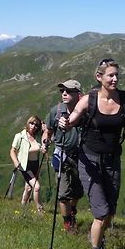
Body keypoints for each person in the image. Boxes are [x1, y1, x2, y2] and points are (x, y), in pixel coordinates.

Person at [59, 61, 125, 249]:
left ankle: (96, 236)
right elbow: (71, 121)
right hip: (89, 160)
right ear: (99, 77)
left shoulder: (124, 99)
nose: (115, 79)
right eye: (110, 76)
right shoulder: (88, 100)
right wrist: (64, 123)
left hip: (112, 161)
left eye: (117, 75)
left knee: (110, 211)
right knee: (101, 212)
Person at [42, 80, 84, 234]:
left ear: (78, 94)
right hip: (62, 155)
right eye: (62, 91)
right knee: (63, 193)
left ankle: (72, 209)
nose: (64, 93)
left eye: (68, 91)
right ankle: (68, 224)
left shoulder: (85, 111)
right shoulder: (56, 111)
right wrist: (45, 141)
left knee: (78, 191)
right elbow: (48, 130)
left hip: (80, 157)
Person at [10, 115, 44, 213]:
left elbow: (48, 135)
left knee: (28, 188)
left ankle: (23, 207)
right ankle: (40, 210)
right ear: (28, 123)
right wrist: (16, 162)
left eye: (36, 125)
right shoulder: (20, 136)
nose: (33, 126)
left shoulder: (38, 136)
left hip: (35, 165)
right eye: (31, 123)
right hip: (25, 166)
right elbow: (12, 150)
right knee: (36, 187)